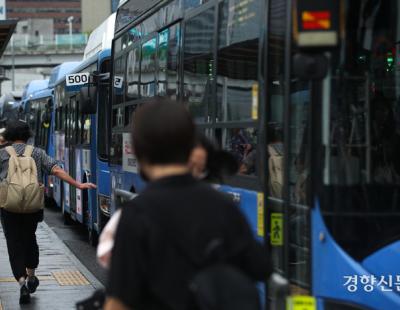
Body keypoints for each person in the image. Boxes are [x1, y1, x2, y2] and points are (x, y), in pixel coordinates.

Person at [105, 99, 270, 310]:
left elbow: (119, 301)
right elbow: (260, 267)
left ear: (137, 150)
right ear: (191, 146)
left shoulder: (136, 214)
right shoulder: (222, 205)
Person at [0, 120, 96, 304]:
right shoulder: (37, 153)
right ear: (28, 135)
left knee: (13, 243)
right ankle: (32, 276)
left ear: (10, 136)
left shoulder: (2, 154)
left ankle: (21, 284)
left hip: (8, 207)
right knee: (29, 239)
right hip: (32, 206)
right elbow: (57, 170)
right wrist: (79, 184)